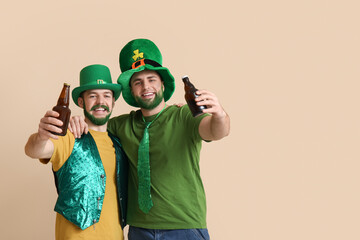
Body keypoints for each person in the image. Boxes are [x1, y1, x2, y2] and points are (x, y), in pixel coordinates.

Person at [70, 39, 230, 240]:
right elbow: (95, 123)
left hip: (184, 228)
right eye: (138, 82)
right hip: (139, 230)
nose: (146, 86)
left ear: (162, 83)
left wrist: (220, 115)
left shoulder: (183, 116)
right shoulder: (122, 125)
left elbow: (216, 132)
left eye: (151, 79)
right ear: (131, 90)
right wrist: (76, 121)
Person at [24, 64, 128, 240]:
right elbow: (34, 150)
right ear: (81, 102)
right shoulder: (70, 137)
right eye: (92, 96)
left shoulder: (119, 143)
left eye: (106, 96)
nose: (100, 102)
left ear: (113, 102)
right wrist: (41, 136)